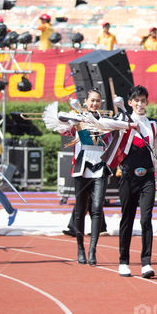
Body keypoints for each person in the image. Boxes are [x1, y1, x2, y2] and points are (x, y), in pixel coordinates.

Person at [113, 86, 157, 278]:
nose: (140, 104)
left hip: (148, 177)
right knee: (127, 218)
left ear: (147, 102)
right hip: (128, 176)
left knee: (146, 219)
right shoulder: (122, 120)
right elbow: (107, 125)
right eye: (137, 101)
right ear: (130, 103)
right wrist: (126, 124)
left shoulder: (155, 125)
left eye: (143, 100)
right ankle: (123, 261)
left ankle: (146, 263)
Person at [63, 90, 110, 265]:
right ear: (86, 101)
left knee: (97, 208)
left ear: (101, 103)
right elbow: (62, 126)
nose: (94, 104)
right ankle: (80, 248)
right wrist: (70, 117)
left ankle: (93, 249)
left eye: (98, 101)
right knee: (80, 209)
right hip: (82, 169)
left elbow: (117, 136)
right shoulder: (78, 118)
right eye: (92, 101)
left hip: (100, 169)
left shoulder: (105, 121)